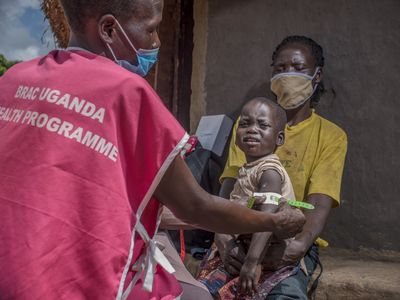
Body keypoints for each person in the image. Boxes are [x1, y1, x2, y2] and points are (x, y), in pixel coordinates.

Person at [0, 1, 306, 299]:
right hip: (75, 282)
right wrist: (273, 222)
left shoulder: (13, 80)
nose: (156, 41)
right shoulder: (128, 93)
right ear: (109, 29)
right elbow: (196, 207)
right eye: (151, 30)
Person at [219, 36, 348, 299]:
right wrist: (221, 238)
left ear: (317, 75)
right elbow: (228, 191)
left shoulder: (331, 136)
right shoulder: (247, 129)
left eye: (298, 68)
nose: (287, 75)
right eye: (280, 68)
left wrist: (296, 247)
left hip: (286, 242)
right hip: (239, 235)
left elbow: (316, 206)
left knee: (284, 295)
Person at [197, 97, 300, 299]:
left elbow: (267, 217)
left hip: (265, 250)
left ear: (279, 139)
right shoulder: (247, 169)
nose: (252, 129)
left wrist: (253, 262)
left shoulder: (269, 171)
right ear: (236, 135)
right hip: (246, 244)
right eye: (245, 124)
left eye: (263, 125)